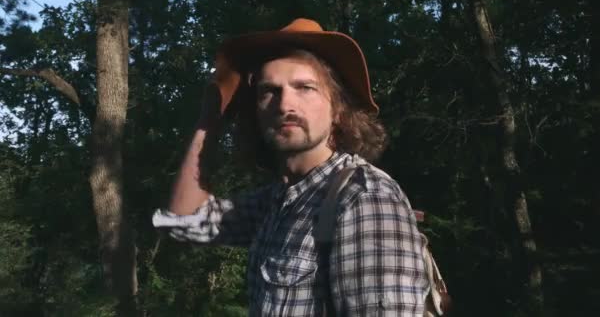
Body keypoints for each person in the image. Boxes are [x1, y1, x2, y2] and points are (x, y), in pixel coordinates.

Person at [153, 18, 430, 316]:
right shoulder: (276, 201)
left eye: (305, 88)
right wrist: (210, 121)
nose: (285, 105)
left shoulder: (362, 198)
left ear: (338, 110)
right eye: (269, 91)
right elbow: (184, 223)